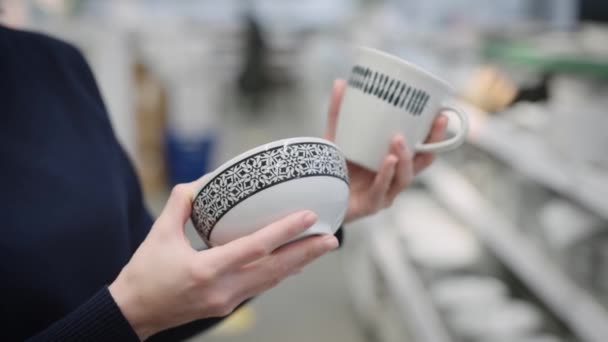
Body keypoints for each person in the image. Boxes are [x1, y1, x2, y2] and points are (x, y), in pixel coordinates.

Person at [0, 23, 447, 341]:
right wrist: (129, 316)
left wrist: (326, 200)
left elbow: (151, 284)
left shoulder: (56, 66)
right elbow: (134, 305)